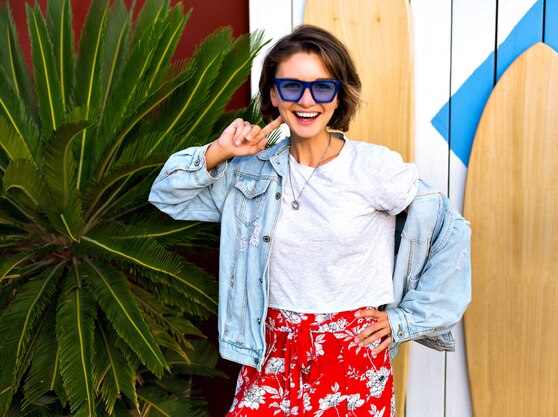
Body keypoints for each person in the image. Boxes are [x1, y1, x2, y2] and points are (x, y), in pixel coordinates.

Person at [149, 24, 470, 417]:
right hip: (271, 349)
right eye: (291, 87)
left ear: (338, 95)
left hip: (351, 352)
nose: (306, 100)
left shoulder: (374, 168)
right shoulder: (252, 171)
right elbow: (167, 195)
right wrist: (219, 151)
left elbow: (450, 232)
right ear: (273, 94)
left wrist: (404, 320)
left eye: (322, 87)